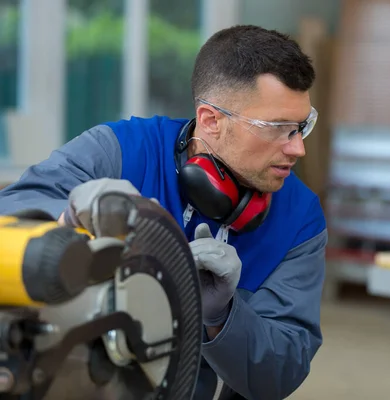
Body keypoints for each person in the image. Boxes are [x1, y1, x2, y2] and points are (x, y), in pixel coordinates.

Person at [0, 25, 327, 400]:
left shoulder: (300, 220)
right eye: (278, 128)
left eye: (301, 127)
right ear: (211, 121)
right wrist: (66, 224)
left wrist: (224, 317)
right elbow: (9, 218)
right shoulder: (120, 151)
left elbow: (280, 374)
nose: (298, 149)